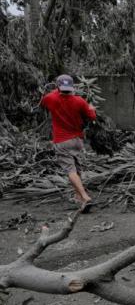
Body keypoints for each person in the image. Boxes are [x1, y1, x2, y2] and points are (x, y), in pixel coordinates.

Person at [40, 74, 97, 208]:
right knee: (76, 169)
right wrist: (92, 109)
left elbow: (43, 101)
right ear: (72, 87)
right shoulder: (80, 101)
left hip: (62, 141)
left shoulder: (51, 98)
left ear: (58, 86)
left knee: (70, 171)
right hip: (77, 141)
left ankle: (85, 196)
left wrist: (56, 89)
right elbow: (92, 116)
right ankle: (78, 197)